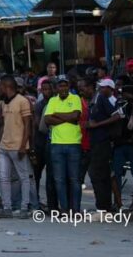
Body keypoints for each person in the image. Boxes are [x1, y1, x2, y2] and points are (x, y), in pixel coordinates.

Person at [0, 75, 33, 218]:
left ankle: (24, 207)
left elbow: (27, 124)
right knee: (4, 178)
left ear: (7, 87)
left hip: (18, 146)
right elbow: (2, 124)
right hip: (4, 146)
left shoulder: (23, 101)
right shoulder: (3, 103)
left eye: (0, 87)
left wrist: (24, 145)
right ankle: (7, 207)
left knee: (23, 177)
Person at [44, 77, 83, 213]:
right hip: (56, 144)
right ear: (56, 88)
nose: (63, 88)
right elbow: (47, 119)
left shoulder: (75, 98)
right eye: (60, 86)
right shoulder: (52, 100)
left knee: (74, 180)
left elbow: (76, 116)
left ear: (69, 86)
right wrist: (69, 118)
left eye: (65, 85)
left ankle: (76, 210)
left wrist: (57, 115)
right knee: (59, 180)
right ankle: (65, 210)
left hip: (74, 144)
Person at [87, 78, 122, 211]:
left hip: (103, 142)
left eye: (104, 87)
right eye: (100, 87)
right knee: (101, 174)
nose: (101, 89)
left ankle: (103, 206)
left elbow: (117, 116)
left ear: (110, 89)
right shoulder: (100, 98)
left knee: (98, 174)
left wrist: (97, 125)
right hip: (98, 142)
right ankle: (105, 205)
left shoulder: (103, 99)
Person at [33, 79, 56, 211]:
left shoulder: (56, 103)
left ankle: (52, 205)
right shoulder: (39, 105)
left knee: (51, 176)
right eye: (44, 89)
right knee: (36, 174)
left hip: (52, 143)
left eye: (49, 89)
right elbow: (37, 125)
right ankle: (36, 202)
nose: (47, 91)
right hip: (40, 143)